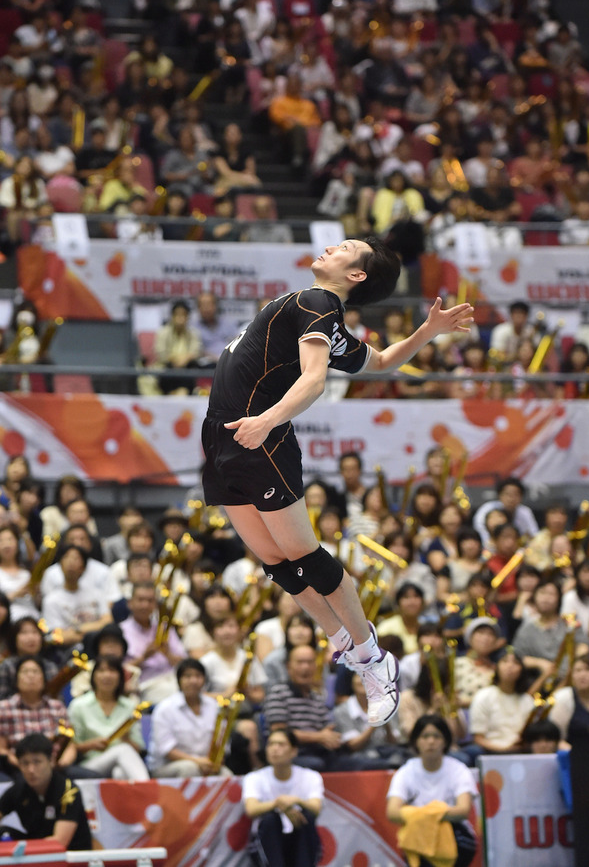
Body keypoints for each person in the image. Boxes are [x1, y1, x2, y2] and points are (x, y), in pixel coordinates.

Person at [201, 236, 473, 726]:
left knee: (305, 555)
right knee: (275, 562)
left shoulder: (319, 301)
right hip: (223, 439)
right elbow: (385, 361)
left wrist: (267, 420)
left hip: (257, 436)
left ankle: (373, 659)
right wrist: (428, 331)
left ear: (357, 276)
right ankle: (341, 639)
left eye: (346, 247)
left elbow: (314, 380)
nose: (332, 246)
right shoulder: (320, 314)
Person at [0, 732, 92, 849]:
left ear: (51, 760)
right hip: (36, 851)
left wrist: (24, 851)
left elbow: (60, 841)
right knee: (1, 834)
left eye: (37, 762)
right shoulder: (18, 789)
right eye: (25, 763)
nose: (31, 769)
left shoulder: (68, 790)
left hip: (70, 857)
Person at [386, 713, 478, 867]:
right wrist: (432, 815)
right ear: (416, 741)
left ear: (445, 742)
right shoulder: (406, 771)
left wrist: (422, 814)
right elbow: (392, 812)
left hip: (456, 835)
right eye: (425, 736)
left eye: (437, 736)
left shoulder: (459, 770)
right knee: (412, 837)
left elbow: (463, 810)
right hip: (419, 835)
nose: (431, 741)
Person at [243, 728, 323, 867]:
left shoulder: (311, 776)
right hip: (268, 841)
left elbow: (316, 808)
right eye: (271, 744)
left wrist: (296, 801)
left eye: (281, 744)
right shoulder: (254, 777)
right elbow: (251, 809)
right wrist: (278, 803)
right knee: (269, 819)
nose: (275, 749)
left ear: (294, 751)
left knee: (306, 817)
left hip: (299, 840)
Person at [147, 658, 232, 777]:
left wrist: (214, 761)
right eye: (187, 676)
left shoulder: (214, 706)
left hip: (206, 763)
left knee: (227, 775)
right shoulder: (165, 709)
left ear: (204, 680)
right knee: (189, 768)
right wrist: (197, 762)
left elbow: (222, 742)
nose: (193, 680)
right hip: (167, 767)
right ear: (179, 681)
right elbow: (166, 750)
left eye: (198, 676)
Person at [67, 655, 149, 779]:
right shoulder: (78, 705)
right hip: (89, 764)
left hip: (123, 762)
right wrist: (91, 745)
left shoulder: (129, 706)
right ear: (93, 676)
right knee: (123, 750)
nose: (107, 675)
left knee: (119, 773)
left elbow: (138, 750)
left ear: (120, 677)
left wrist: (126, 739)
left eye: (112, 670)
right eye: (101, 670)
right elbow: (70, 748)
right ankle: (149, 791)